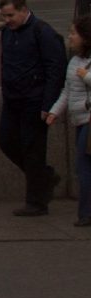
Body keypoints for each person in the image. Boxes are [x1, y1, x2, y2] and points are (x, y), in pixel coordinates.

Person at [0, 0, 66, 215]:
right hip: (12, 100)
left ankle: (36, 202)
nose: (7, 21)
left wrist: (48, 104)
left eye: (11, 15)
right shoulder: (7, 33)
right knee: (6, 141)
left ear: (24, 10)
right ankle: (44, 177)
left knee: (33, 149)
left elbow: (55, 70)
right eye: (4, 16)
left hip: (34, 101)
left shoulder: (43, 32)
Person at [46, 14, 91, 227]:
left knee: (84, 167)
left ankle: (86, 213)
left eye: (74, 33)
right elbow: (67, 91)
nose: (70, 37)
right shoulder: (74, 61)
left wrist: (86, 76)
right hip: (79, 120)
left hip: (89, 120)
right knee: (83, 166)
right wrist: (55, 111)